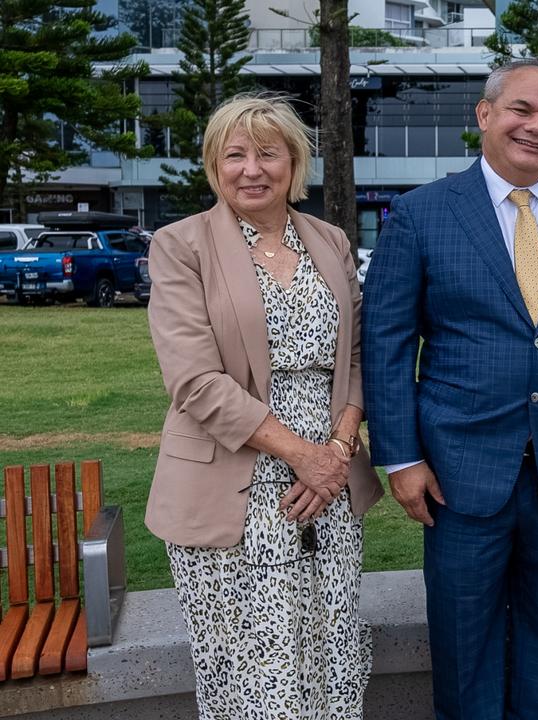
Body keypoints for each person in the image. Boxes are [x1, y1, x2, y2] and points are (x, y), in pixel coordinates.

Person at [361, 58, 538, 718]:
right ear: (485, 115)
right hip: (458, 475)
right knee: (465, 649)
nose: (537, 127)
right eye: (522, 109)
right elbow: (387, 345)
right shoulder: (421, 214)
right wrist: (401, 457)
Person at [145, 94, 383, 719]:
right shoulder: (181, 245)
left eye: (269, 153)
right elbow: (195, 382)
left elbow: (358, 356)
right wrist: (305, 455)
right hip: (235, 482)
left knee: (332, 650)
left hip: (329, 487)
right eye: (236, 155)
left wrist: (336, 451)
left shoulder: (331, 241)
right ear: (213, 166)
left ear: (294, 163)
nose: (253, 169)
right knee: (255, 667)